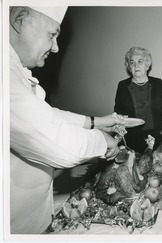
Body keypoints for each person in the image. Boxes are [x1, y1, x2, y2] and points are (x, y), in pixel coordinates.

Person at [9, 6, 124, 234]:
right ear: (20, 20)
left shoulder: (13, 69)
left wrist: (98, 121)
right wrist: (102, 140)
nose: (56, 47)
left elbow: (48, 116)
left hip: (34, 220)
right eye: (52, 35)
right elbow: (58, 143)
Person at [114, 46, 162, 154]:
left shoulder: (158, 83)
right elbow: (118, 112)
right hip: (132, 137)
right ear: (129, 67)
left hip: (157, 136)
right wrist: (120, 121)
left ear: (147, 65)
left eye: (140, 61)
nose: (136, 66)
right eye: (132, 62)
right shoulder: (122, 86)